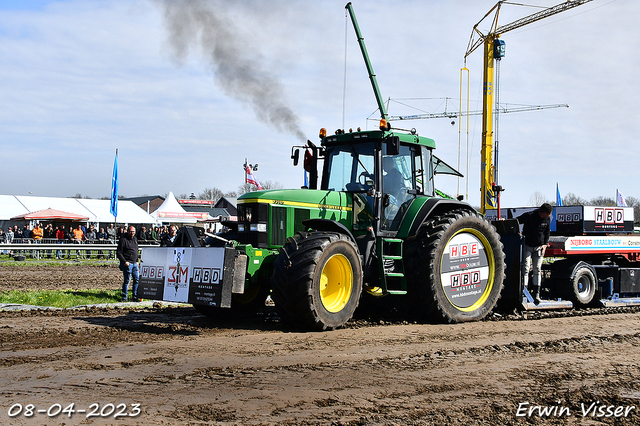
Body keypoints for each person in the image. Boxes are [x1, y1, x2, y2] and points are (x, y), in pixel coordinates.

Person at [517, 203, 553, 304]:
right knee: (526, 268)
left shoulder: (547, 220)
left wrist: (545, 244)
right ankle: (524, 292)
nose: (549, 216)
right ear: (544, 213)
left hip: (539, 248)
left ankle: (536, 294)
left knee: (537, 269)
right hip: (527, 246)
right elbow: (516, 221)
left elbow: (547, 232)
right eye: (549, 214)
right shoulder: (529, 216)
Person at [116, 225, 140, 302]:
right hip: (128, 263)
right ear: (128, 231)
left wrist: (137, 260)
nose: (132, 233)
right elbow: (119, 252)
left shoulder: (135, 239)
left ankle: (135, 296)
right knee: (127, 281)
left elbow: (136, 250)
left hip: (134, 263)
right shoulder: (123, 240)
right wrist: (124, 262)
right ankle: (124, 297)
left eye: (133, 232)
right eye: (131, 231)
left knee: (137, 280)